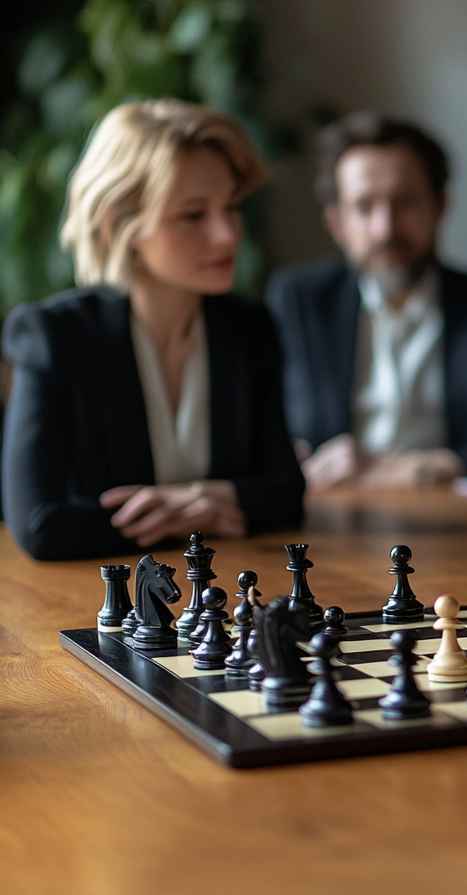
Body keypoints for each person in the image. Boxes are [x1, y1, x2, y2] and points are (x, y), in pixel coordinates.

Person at [2, 99, 305, 561]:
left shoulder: (249, 329)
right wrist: (203, 513)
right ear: (120, 224)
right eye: (193, 215)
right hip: (98, 612)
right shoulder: (55, 336)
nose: (228, 235)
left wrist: (191, 507)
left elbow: (287, 495)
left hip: (229, 596)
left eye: (232, 207)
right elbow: (40, 524)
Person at [266, 112, 467, 489]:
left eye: (405, 202)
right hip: (328, 517)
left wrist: (417, 471)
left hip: (459, 518)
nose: (385, 228)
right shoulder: (299, 301)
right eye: (364, 206)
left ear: (440, 206)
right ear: (336, 222)